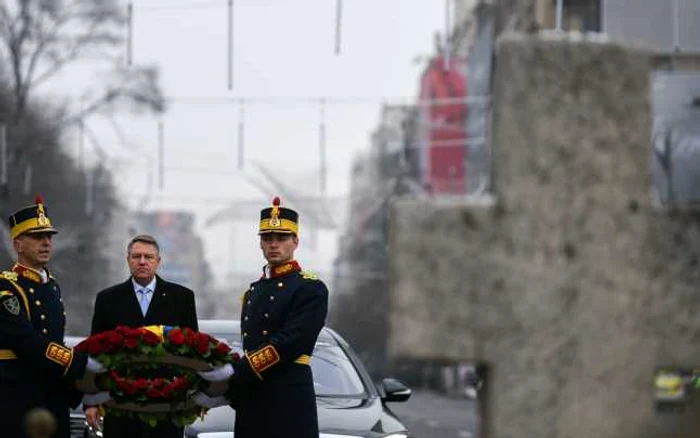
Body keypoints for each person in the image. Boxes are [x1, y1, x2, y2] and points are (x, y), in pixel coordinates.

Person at [0, 195, 104, 438]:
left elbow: (54, 340)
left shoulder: (52, 286)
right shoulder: (7, 289)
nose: (46, 243)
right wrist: (78, 364)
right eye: (37, 237)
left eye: (48, 237)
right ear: (18, 244)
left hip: (51, 397)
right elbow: (28, 342)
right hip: (18, 398)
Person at [229, 196, 329, 438]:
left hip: (288, 398)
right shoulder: (253, 291)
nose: (274, 244)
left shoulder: (310, 288)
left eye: (281, 238)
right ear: (260, 244)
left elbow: (292, 341)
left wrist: (240, 371)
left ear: (295, 241)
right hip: (253, 396)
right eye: (267, 238)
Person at [83, 234, 199, 438]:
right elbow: (95, 354)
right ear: (128, 260)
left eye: (148, 257)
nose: (142, 262)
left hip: (166, 405)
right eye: (136, 256)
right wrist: (91, 401)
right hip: (120, 404)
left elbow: (192, 352)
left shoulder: (181, 298)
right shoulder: (108, 299)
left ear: (158, 261)